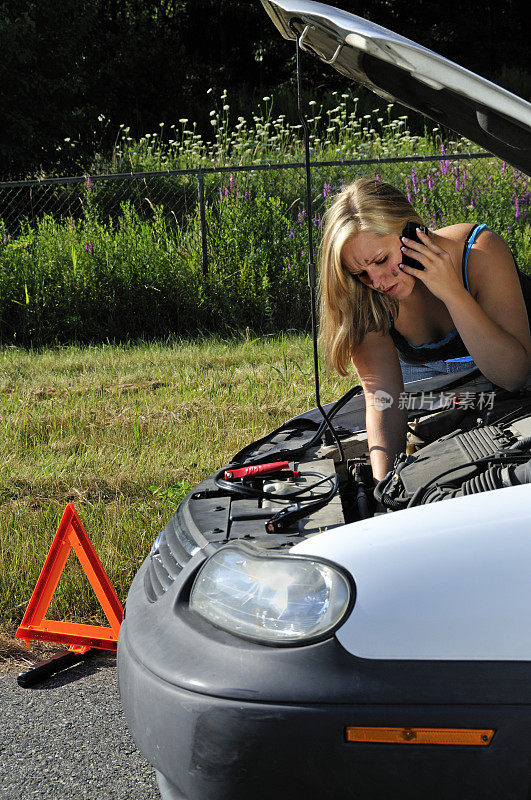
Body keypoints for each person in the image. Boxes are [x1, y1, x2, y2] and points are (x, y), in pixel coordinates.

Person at [319, 178, 531, 482]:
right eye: (361, 273)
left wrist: (452, 292)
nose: (378, 281)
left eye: (381, 260)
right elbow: (383, 401)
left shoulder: (479, 252)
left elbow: (513, 376)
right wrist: (384, 490)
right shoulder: (363, 295)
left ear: (412, 231)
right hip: (447, 397)